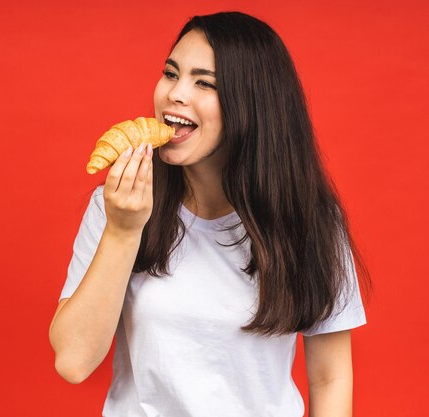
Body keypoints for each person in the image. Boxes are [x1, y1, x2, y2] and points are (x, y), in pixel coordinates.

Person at [49, 11, 370, 417]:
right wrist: (123, 232)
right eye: (171, 73)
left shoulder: (312, 220)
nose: (175, 94)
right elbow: (73, 362)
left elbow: (331, 377)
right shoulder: (118, 206)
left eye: (204, 83)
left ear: (252, 105)